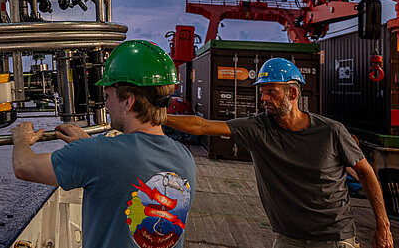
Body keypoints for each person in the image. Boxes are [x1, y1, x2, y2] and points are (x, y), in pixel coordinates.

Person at [165, 57, 393, 248]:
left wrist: (383, 225)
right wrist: (160, 117)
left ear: (292, 93)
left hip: (333, 238)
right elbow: (203, 126)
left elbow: (365, 172)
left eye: (271, 92)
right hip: (288, 239)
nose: (264, 98)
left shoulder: (331, 132)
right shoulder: (257, 129)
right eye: (262, 92)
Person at [11, 40, 196, 248]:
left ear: (129, 102)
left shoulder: (99, 154)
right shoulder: (185, 158)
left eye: (108, 96)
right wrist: (90, 147)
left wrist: (20, 140)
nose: (106, 105)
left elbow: (23, 167)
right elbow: (125, 167)